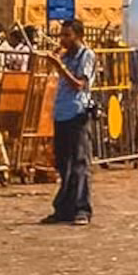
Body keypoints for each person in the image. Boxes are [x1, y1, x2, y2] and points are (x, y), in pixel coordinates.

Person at [48, 18, 96, 226]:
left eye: (67, 35)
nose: (63, 39)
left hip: (77, 112)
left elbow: (79, 84)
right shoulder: (65, 55)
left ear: (78, 35)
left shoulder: (86, 56)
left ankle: (81, 208)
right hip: (61, 113)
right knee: (63, 163)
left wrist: (60, 67)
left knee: (79, 162)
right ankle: (64, 208)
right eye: (62, 35)